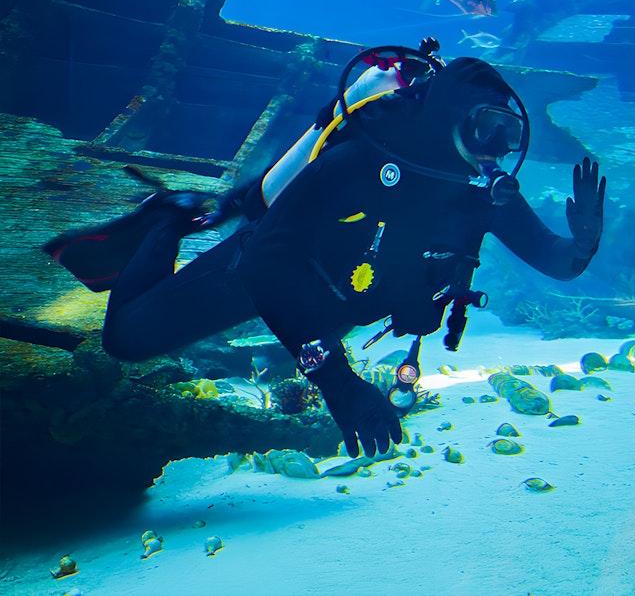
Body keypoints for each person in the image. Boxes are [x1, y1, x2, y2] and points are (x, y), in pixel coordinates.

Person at [44, 41, 606, 459]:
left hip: (338, 303)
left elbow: (557, 262)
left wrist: (583, 241)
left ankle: (177, 222)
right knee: (124, 342)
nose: (496, 152)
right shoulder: (357, 163)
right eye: (487, 128)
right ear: (448, 118)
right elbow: (269, 264)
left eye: (508, 135)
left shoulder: (483, 196)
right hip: (259, 276)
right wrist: (337, 382)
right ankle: (166, 219)